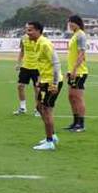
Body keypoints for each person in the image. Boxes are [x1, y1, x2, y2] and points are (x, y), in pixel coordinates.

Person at [32, 21, 63, 151]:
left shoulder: (45, 44)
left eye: (30, 30)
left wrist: (55, 83)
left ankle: (50, 142)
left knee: (46, 109)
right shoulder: (37, 43)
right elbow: (42, 63)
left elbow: (56, 63)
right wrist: (40, 79)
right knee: (39, 107)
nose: (28, 33)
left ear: (39, 31)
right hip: (45, 80)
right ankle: (52, 135)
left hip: (51, 82)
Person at [65, 15, 89, 132]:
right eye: (69, 23)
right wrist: (69, 70)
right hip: (73, 71)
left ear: (77, 23)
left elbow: (81, 54)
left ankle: (81, 124)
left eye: (71, 23)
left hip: (79, 72)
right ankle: (75, 122)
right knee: (71, 97)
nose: (69, 25)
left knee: (78, 97)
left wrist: (74, 69)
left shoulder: (80, 35)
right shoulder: (74, 35)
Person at [13, 22, 42, 116]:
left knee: (37, 89)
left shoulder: (39, 39)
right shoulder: (23, 38)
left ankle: (37, 109)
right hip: (25, 66)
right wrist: (18, 63)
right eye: (26, 28)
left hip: (37, 67)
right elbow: (22, 51)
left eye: (29, 28)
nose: (27, 30)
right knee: (20, 86)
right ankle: (22, 107)